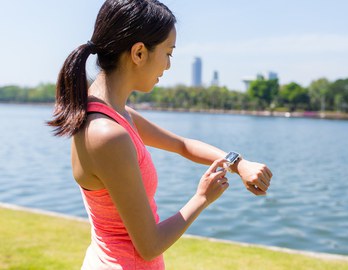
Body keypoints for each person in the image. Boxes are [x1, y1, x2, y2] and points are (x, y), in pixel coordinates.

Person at [47, 0, 273, 269]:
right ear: (139, 53)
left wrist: (238, 163)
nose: (167, 66)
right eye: (168, 53)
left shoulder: (114, 114)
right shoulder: (107, 134)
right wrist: (202, 198)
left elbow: (182, 145)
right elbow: (149, 245)